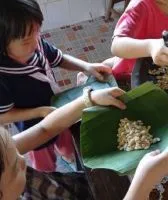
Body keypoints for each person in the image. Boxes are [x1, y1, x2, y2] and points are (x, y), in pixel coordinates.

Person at [0, 87, 168, 199]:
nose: (23, 160)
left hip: (73, 187)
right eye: (15, 167)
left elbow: (43, 130)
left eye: (16, 152)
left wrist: (88, 100)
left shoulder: (3, 152)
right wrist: (143, 185)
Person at [0, 0, 112, 172]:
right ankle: (54, 168)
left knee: (69, 142)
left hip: (58, 107)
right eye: (26, 41)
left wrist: (86, 66)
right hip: (35, 129)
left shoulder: (36, 44)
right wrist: (39, 112)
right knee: (45, 166)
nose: (36, 42)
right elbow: (4, 115)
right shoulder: (3, 77)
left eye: (37, 32)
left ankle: (68, 155)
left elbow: (59, 58)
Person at [110, 0, 168, 81]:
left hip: (164, 69)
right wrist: (150, 47)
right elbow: (116, 46)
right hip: (131, 75)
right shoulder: (139, 6)